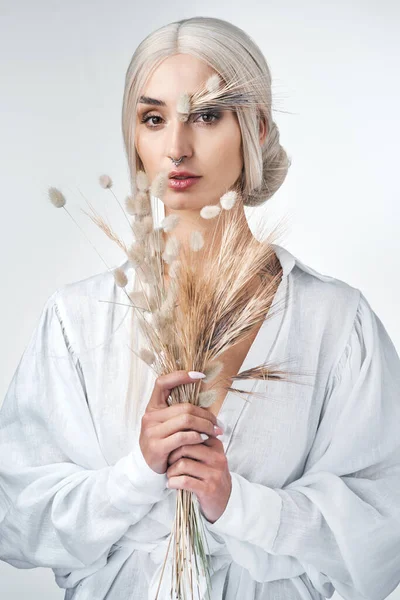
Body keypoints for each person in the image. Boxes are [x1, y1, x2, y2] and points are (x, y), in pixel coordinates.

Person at [1, 15, 400, 600]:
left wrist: (239, 504)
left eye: (207, 115)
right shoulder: (77, 318)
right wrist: (136, 473)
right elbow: (16, 517)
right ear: (134, 136)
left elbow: (385, 531)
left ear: (256, 128)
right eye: (154, 118)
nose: (176, 148)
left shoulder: (336, 321)